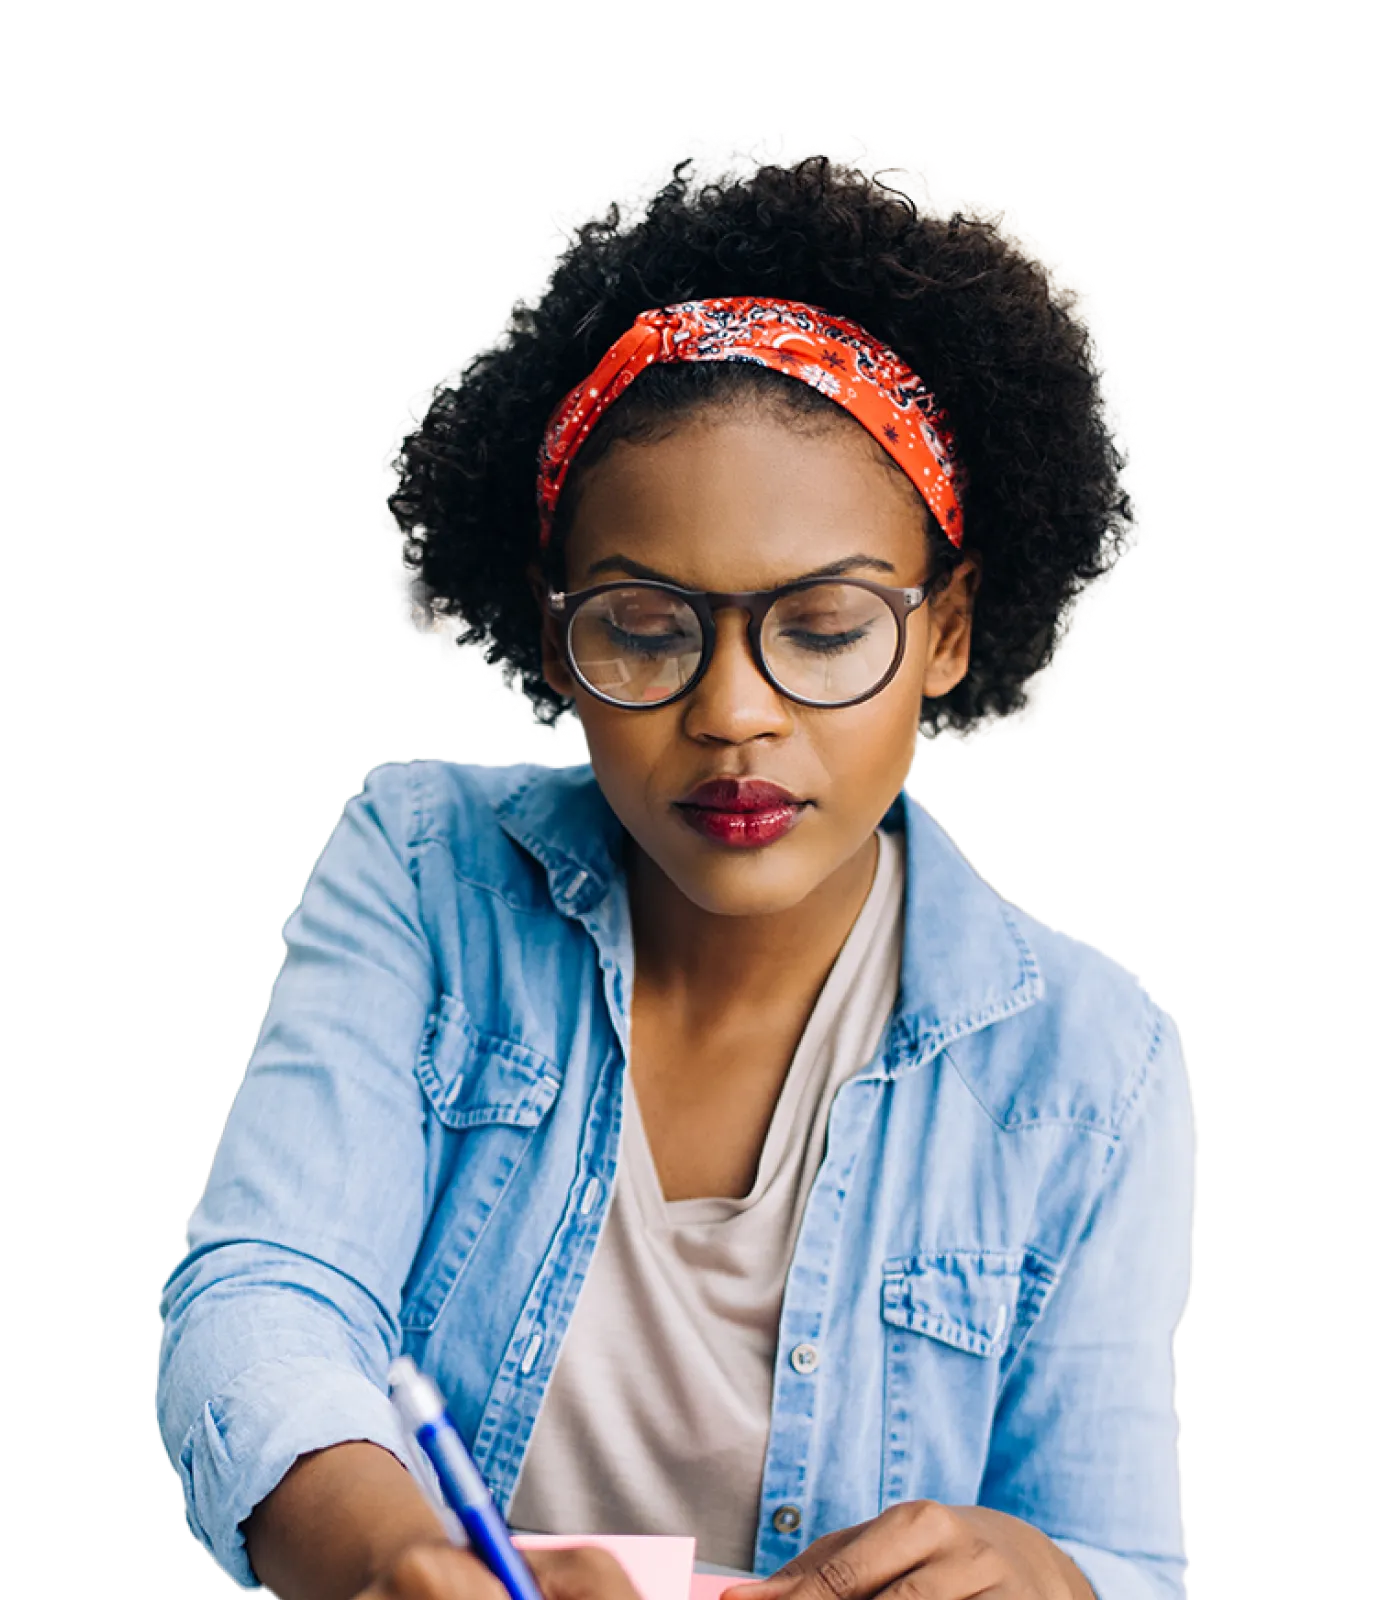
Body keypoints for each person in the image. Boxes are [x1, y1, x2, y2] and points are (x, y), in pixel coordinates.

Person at [155, 147, 1194, 1600]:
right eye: (647, 627)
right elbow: (267, 1296)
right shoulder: (424, 875)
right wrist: (394, 1560)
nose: (732, 713)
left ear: (950, 631)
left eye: (825, 628)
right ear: (555, 627)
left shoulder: (1093, 1064)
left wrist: (1055, 1583)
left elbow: (1129, 1555)